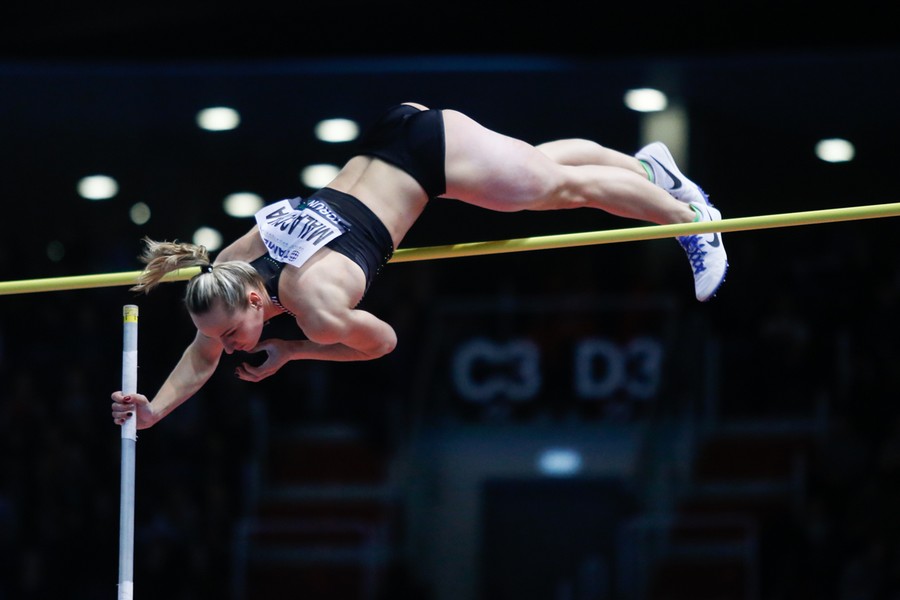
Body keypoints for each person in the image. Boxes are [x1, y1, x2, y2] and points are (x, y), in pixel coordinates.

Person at [110, 102, 727, 429]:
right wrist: (157, 409)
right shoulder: (228, 268)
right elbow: (202, 350)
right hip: (398, 136)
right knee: (544, 171)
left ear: (252, 304)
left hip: (431, 161)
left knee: (564, 191)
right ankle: (651, 172)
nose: (224, 347)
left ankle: (694, 219)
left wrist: (297, 351)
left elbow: (383, 343)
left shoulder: (315, 310)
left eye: (228, 333)